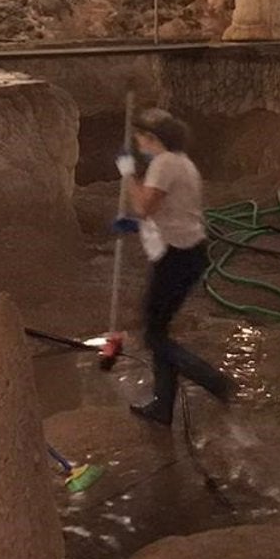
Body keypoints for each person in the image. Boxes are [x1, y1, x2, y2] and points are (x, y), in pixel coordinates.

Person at [109, 108, 232, 426]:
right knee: (157, 330)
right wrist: (134, 226)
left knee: (153, 337)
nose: (138, 142)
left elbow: (145, 206)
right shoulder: (183, 163)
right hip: (185, 253)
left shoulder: (164, 164)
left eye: (141, 137)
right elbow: (171, 212)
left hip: (177, 258)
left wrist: (127, 174)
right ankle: (163, 406)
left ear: (153, 138)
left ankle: (214, 381)